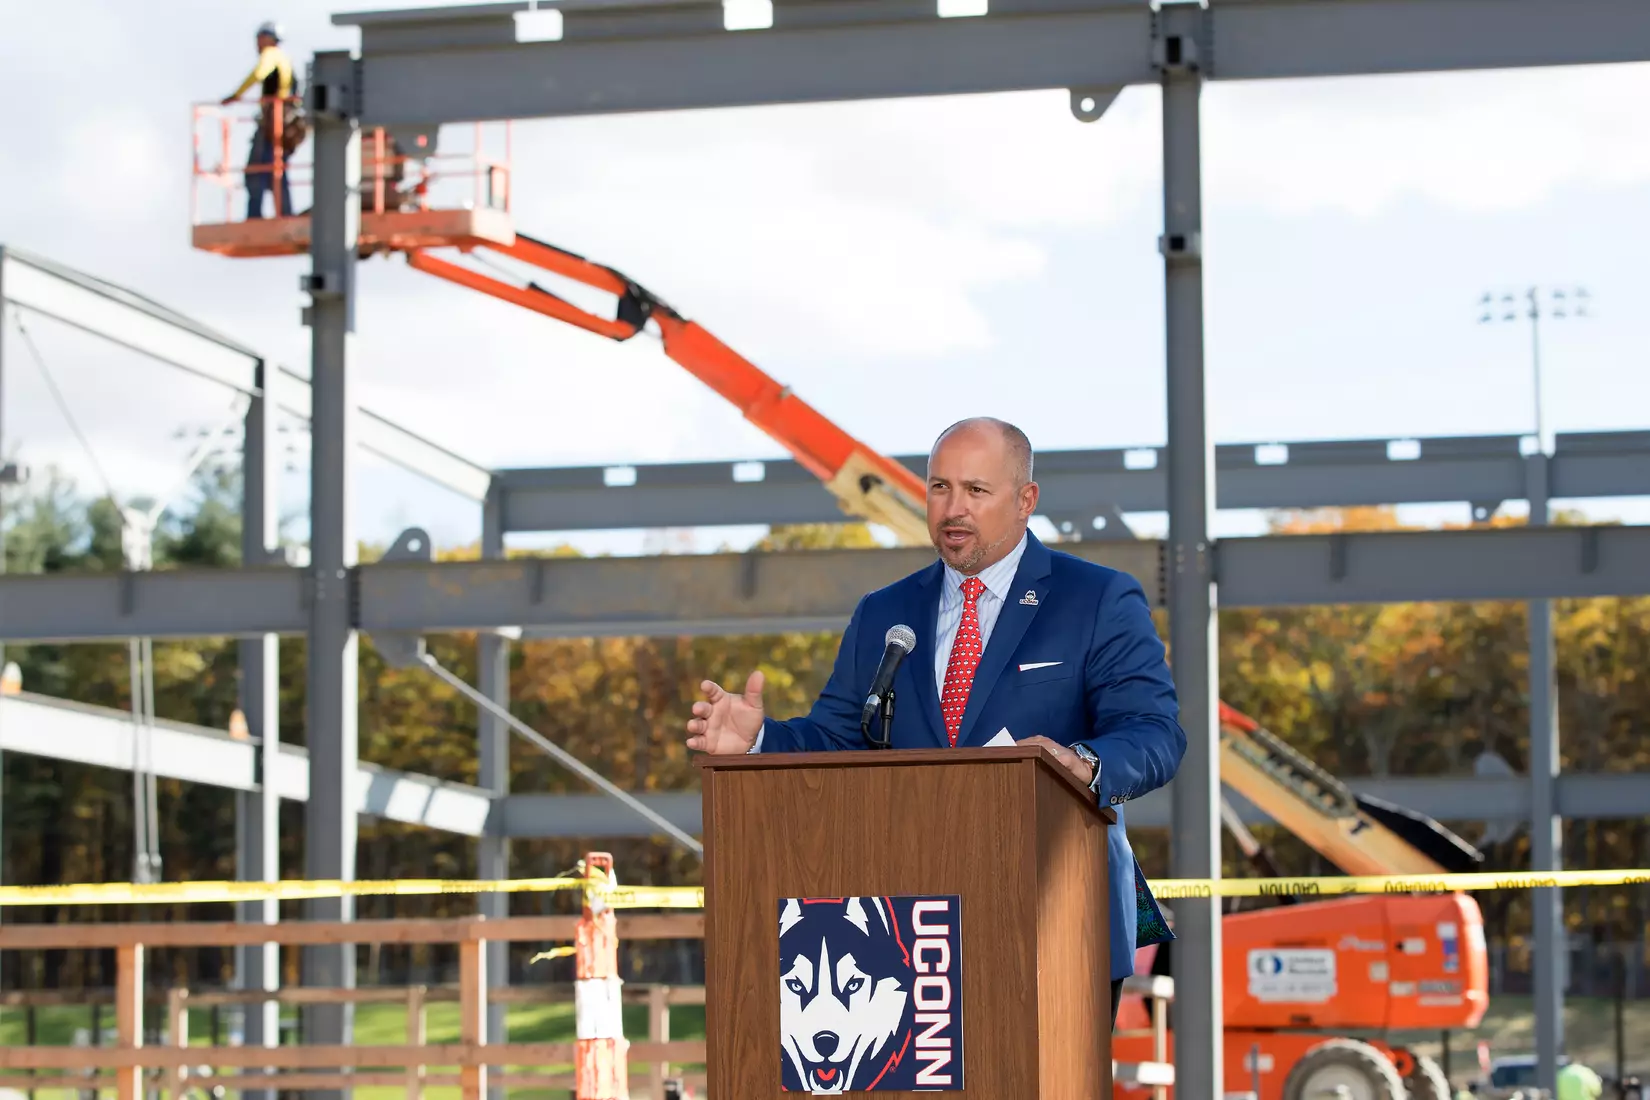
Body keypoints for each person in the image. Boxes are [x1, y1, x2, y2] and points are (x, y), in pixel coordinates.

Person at [685, 416, 1187, 1026]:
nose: (954, 509)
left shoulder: (1098, 598)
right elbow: (839, 738)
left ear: (1026, 500)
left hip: (1056, 920)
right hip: (909, 929)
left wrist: (1082, 764)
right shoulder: (884, 613)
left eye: (976, 491)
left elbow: (1155, 734)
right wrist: (759, 741)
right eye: (939, 488)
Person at [222, 21, 298, 219]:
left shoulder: (271, 55)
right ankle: (286, 212)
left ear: (267, 38)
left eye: (259, 38)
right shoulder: (285, 59)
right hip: (284, 121)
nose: (257, 44)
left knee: (257, 169)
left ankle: (254, 216)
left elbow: (259, 73)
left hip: (273, 121)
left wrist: (236, 95)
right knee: (276, 168)